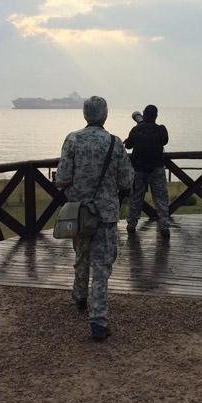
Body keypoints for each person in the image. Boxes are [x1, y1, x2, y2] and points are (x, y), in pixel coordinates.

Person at [56, 95, 134, 341]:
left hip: (79, 212)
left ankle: (80, 296)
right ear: (105, 115)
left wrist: (76, 191)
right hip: (106, 214)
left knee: (81, 255)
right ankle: (99, 321)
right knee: (101, 266)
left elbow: (61, 178)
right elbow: (126, 180)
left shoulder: (72, 139)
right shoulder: (114, 142)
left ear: (85, 114)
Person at [124, 104, 170, 237]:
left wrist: (138, 129)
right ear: (156, 116)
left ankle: (131, 224)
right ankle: (164, 226)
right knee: (161, 198)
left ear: (144, 115)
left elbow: (128, 145)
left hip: (139, 170)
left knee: (136, 198)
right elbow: (165, 141)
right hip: (157, 169)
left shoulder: (136, 129)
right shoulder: (161, 130)